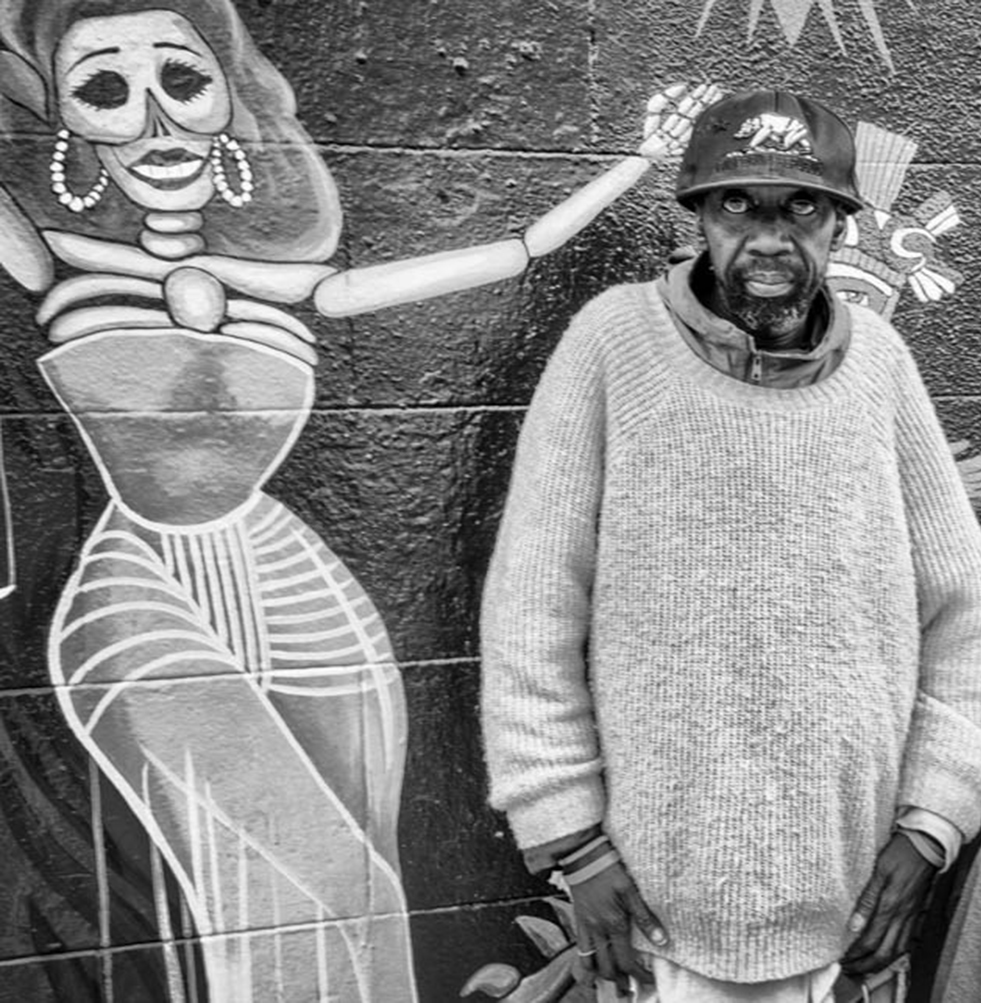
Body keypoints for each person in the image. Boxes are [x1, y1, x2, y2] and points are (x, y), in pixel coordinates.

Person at [0, 0, 717, 997]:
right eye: (105, 92)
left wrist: (641, 158)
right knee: (288, 873)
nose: (155, 120)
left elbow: (518, 250)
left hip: (289, 577)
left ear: (229, 101)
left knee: (369, 871)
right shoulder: (51, 262)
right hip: (136, 581)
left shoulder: (297, 282)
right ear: (68, 123)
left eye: (183, 80)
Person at [481, 89, 981, 1000]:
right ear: (698, 217)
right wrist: (572, 835)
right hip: (652, 914)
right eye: (738, 205)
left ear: (841, 223)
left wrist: (933, 821)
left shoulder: (880, 363)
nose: (769, 239)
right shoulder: (612, 344)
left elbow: (960, 604)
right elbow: (531, 604)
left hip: (851, 916)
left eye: (801, 206)